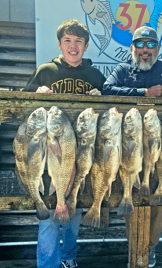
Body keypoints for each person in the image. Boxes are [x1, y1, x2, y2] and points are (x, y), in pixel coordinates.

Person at [22, 19, 106, 268]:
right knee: (49, 212)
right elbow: (21, 103)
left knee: (74, 211)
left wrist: (102, 98)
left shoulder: (95, 75)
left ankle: (69, 258)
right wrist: (35, 96)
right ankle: (47, 263)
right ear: (59, 44)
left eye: (78, 41)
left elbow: (110, 115)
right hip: (51, 154)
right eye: (67, 41)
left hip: (82, 154)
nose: (73, 46)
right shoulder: (46, 71)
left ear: (86, 46)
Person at [103, 25, 162, 268]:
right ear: (132, 48)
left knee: (159, 198)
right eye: (140, 44)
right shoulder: (122, 69)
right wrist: (143, 93)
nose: (145, 50)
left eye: (150, 45)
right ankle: (136, 247)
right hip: (129, 144)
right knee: (131, 196)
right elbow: (107, 89)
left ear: (158, 48)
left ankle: (149, 249)